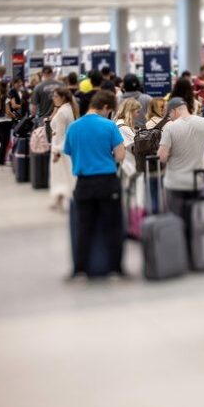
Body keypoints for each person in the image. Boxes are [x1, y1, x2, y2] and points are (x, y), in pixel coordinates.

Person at [63, 90, 126, 280]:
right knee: (112, 226)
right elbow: (120, 155)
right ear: (106, 107)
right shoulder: (109, 126)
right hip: (107, 181)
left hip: (83, 183)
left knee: (83, 227)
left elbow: (69, 151)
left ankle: (79, 271)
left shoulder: (73, 127)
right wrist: (106, 158)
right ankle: (115, 270)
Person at [49, 87, 79, 212]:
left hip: (60, 147)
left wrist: (56, 152)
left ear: (63, 97)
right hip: (66, 146)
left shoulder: (62, 112)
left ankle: (63, 200)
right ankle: (60, 200)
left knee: (61, 175)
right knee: (65, 174)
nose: (53, 98)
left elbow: (60, 135)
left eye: (56, 96)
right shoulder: (68, 108)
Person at [115, 98, 142, 185]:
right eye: (137, 112)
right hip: (127, 166)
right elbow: (134, 145)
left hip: (125, 165)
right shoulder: (123, 127)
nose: (138, 115)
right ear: (130, 111)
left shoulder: (119, 124)